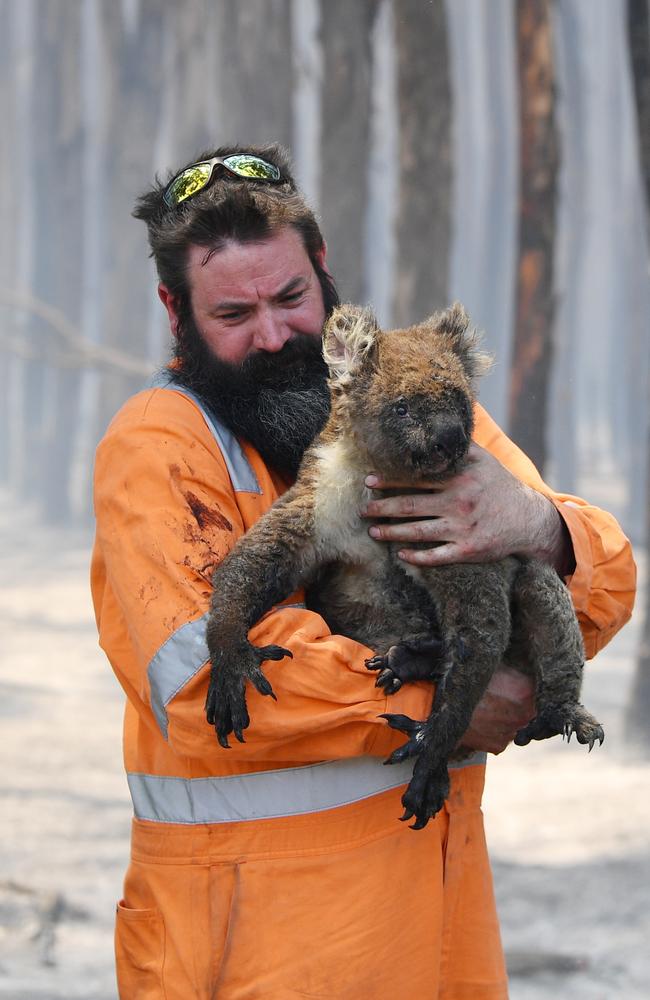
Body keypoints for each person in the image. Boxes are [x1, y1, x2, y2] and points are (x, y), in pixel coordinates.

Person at [91, 144, 636, 999]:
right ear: (175, 309)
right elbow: (196, 676)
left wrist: (539, 527)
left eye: (291, 298)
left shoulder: (410, 404)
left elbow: (603, 591)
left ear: (325, 271)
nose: (273, 334)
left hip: (442, 948)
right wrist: (441, 701)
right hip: (250, 957)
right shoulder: (160, 444)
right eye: (234, 313)